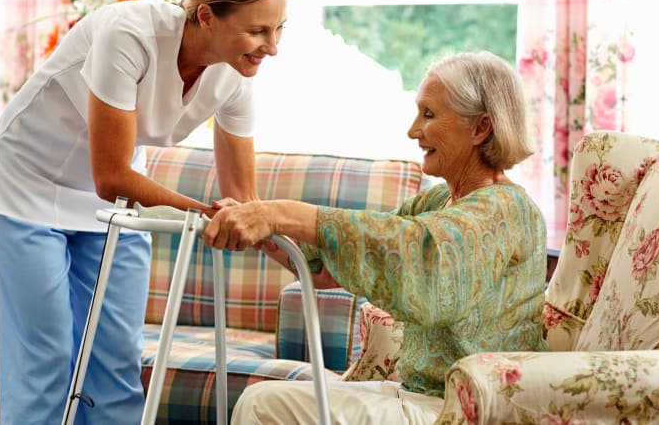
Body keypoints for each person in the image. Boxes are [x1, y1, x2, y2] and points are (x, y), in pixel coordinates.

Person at [0, 0, 292, 425]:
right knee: (48, 352)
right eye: (257, 29)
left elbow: (243, 200)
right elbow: (113, 175)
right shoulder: (129, 34)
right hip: (28, 183)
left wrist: (302, 260)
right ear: (207, 16)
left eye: (279, 28)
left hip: (114, 205)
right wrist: (203, 215)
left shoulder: (236, 78)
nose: (272, 45)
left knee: (116, 354)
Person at [203, 51, 548, 424]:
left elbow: (417, 254)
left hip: (466, 409)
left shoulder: (506, 209)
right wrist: (262, 229)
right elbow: (329, 267)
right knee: (262, 397)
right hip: (420, 395)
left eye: (429, 115)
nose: (413, 130)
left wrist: (279, 213)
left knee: (262, 406)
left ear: (480, 128)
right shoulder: (439, 200)